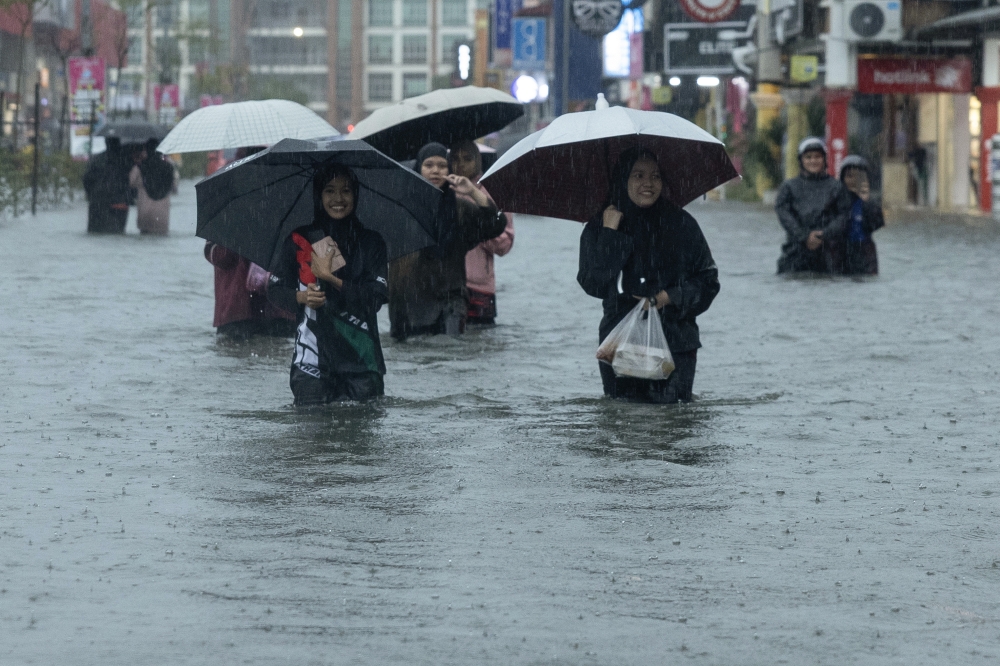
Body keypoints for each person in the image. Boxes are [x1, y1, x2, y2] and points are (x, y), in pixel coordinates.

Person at [578, 148, 720, 404]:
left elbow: (708, 281)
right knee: (621, 424)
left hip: (676, 340)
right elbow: (594, 283)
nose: (648, 184)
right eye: (638, 175)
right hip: (619, 340)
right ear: (623, 179)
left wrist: (669, 297)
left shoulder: (681, 223)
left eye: (655, 176)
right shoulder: (601, 224)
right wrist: (610, 234)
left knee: (673, 429)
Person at [267, 164, 389, 404]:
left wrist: (332, 279)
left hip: (362, 363)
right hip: (311, 363)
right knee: (313, 436)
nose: (338, 199)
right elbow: (274, 290)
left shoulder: (372, 242)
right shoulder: (299, 239)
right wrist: (301, 298)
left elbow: (376, 298)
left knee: (362, 437)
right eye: (329, 191)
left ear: (356, 194)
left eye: (346, 191)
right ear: (318, 196)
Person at [388, 142, 507, 339]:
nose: (435, 170)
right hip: (408, 303)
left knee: (451, 352)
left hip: (451, 301)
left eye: (442, 165)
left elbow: (496, 224)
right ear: (418, 168)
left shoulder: (460, 209)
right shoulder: (401, 211)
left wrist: (472, 191)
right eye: (429, 165)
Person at [449, 140, 515, 325]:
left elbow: (504, 245)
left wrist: (477, 229)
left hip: (480, 288)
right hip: (446, 287)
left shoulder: (494, 193)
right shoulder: (443, 192)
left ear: (477, 160)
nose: (460, 164)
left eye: (467, 159)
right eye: (455, 159)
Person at [774, 137, 851, 274]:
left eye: (817, 157)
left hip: (829, 252)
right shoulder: (789, 187)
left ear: (824, 159)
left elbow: (844, 215)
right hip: (796, 250)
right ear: (801, 160)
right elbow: (783, 213)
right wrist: (804, 236)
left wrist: (824, 234)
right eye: (808, 157)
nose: (813, 161)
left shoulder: (836, 187)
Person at [204, 242, 297, 339]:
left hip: (278, 311)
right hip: (238, 312)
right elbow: (220, 258)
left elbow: (295, 256)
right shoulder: (227, 228)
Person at [831, 155, 884, 275]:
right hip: (841, 251)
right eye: (849, 176)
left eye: (859, 176)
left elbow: (876, 224)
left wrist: (866, 202)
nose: (854, 180)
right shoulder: (835, 200)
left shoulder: (870, 202)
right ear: (842, 178)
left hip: (864, 251)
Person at [128, 138, 178, 235]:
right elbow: (174, 186)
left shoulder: (140, 166)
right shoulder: (169, 167)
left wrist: (137, 162)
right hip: (162, 215)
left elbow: (131, 182)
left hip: (145, 213)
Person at [83, 137, 132, 234]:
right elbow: (130, 181)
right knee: (116, 233)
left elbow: (86, 180)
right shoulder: (125, 160)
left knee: (95, 233)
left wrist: (92, 195)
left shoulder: (96, 159)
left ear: (106, 143)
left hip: (97, 204)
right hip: (118, 205)